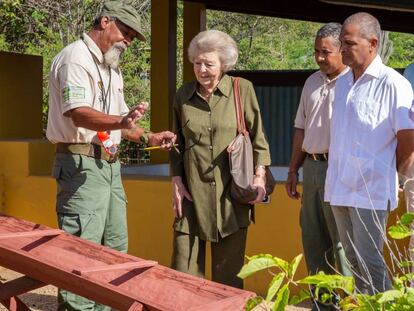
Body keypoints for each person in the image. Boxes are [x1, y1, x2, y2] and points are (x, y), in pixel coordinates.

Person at [46, 2, 175, 310]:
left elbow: (121, 121)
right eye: (125, 32)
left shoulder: (110, 67)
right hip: (81, 166)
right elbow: (78, 114)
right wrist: (120, 122)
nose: (127, 42)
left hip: (109, 167)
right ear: (105, 22)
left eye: (131, 37)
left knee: (114, 252)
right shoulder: (75, 59)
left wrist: (148, 136)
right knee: (82, 253)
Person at [170, 30, 271, 289]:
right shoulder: (183, 95)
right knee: (184, 273)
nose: (202, 69)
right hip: (192, 194)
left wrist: (259, 176)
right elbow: (177, 145)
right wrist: (176, 181)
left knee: (228, 278)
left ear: (223, 65)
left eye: (209, 64)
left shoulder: (242, 89)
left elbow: (258, 137)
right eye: (197, 63)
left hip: (231, 195)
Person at [325, 12, 414, 294]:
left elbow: (408, 139)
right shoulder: (342, 82)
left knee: (370, 261)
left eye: (349, 43)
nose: (342, 49)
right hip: (339, 186)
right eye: (341, 42)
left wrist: (396, 179)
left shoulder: (393, 84)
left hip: (370, 190)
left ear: (372, 43)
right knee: (351, 261)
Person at [286, 22, 350, 310]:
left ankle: (352, 305)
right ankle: (322, 306)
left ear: (342, 51)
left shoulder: (354, 82)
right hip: (312, 168)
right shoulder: (312, 81)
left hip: (340, 170)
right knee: (313, 241)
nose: (320, 57)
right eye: (316, 51)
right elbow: (300, 128)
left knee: (342, 245)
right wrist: (292, 170)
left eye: (326, 52)